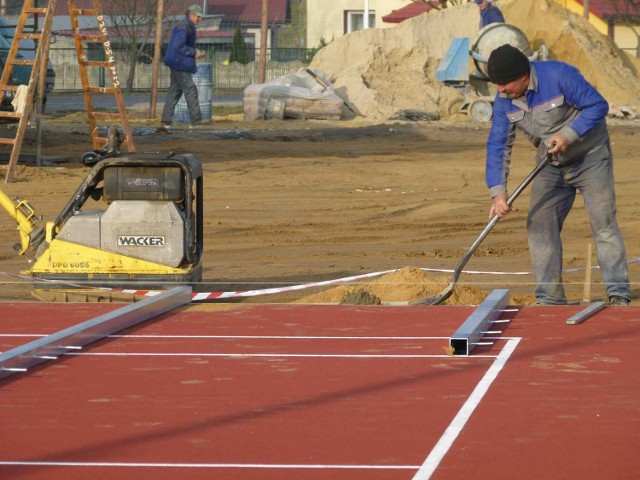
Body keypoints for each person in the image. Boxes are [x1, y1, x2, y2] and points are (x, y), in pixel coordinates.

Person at [483, 44, 631, 306]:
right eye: (497, 84)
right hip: (550, 164)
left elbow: (598, 106)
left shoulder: (560, 76)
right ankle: (549, 299)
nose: (500, 90)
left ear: (524, 76)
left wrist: (568, 135)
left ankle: (618, 293)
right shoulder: (505, 101)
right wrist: (498, 192)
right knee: (539, 224)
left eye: (505, 83)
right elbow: (498, 144)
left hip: (590, 158)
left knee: (603, 222)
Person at [160, 4, 206, 131]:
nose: (200, 19)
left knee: (175, 91)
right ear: (191, 15)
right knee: (190, 89)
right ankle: (196, 121)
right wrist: (194, 53)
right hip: (179, 63)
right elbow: (178, 46)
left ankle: (166, 120)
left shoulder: (187, 25)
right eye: (198, 16)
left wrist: (194, 52)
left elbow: (180, 46)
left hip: (176, 62)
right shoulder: (184, 26)